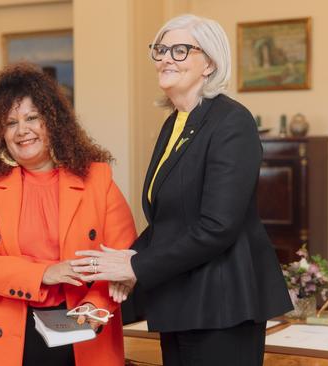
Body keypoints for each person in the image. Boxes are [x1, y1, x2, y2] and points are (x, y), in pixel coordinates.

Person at [71, 14, 292, 366]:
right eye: (160, 49)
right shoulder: (174, 123)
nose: (165, 58)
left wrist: (138, 266)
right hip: (181, 300)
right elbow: (170, 220)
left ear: (209, 63)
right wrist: (128, 259)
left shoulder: (232, 121)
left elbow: (218, 226)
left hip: (223, 306)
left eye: (180, 49)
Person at [0, 63, 137, 366]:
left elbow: (123, 256)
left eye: (32, 118)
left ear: (53, 122)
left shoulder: (97, 179)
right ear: (0, 133)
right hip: (5, 334)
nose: (22, 130)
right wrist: (44, 274)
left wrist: (93, 308)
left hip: (82, 328)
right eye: (10, 123)